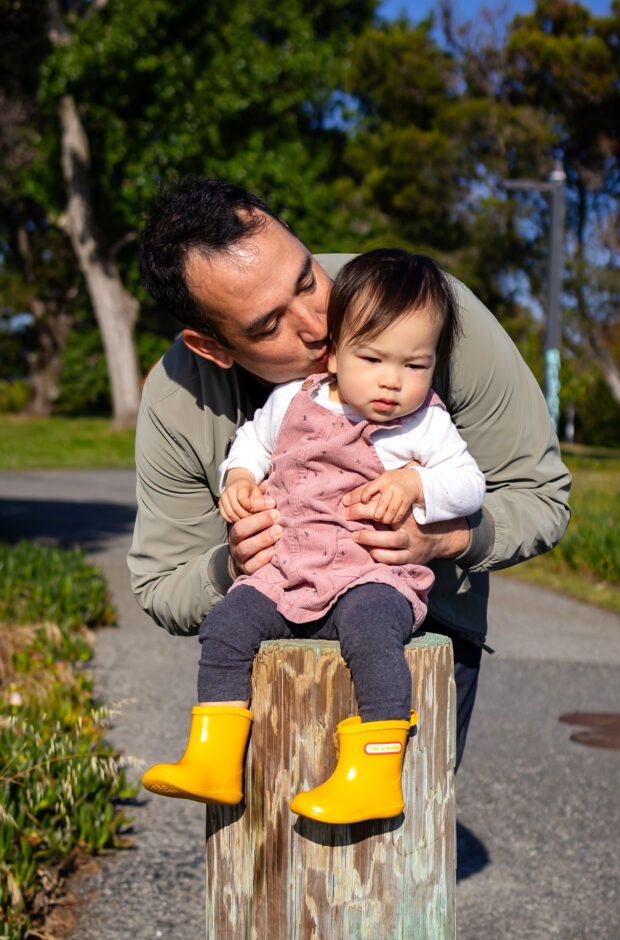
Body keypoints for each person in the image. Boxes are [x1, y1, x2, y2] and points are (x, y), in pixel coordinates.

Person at [130, 178, 571, 781]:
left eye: (307, 279)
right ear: (213, 347)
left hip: (421, 618)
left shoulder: (426, 312)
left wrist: (446, 538)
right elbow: (160, 583)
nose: (318, 325)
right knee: (269, 854)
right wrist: (230, 566)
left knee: (401, 844)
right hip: (269, 630)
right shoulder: (175, 402)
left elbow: (540, 496)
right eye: (268, 327)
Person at [141, 249, 486, 823]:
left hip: (370, 574)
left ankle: (374, 767)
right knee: (227, 625)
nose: (391, 382)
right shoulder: (293, 399)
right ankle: (213, 756)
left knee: (374, 634)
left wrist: (418, 482)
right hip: (290, 569)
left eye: (415, 365)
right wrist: (242, 478)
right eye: (372, 358)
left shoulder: (424, 422)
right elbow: (250, 442)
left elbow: (469, 484)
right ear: (334, 350)